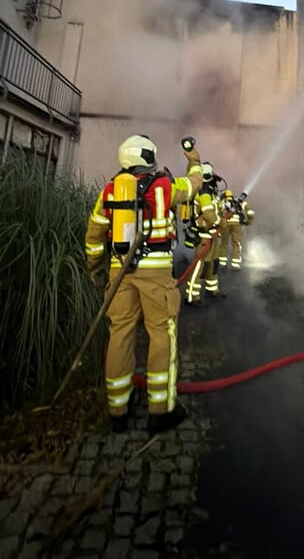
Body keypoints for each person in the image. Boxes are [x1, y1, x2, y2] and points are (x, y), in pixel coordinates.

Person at [85, 134, 203, 434]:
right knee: (161, 335)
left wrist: (95, 267)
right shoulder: (163, 186)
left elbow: (94, 234)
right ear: (148, 157)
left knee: (120, 333)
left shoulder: (110, 191)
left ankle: (117, 411)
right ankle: (160, 411)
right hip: (155, 275)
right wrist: (195, 162)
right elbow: (192, 187)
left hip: (119, 272)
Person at [184, 163, 226, 306]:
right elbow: (208, 214)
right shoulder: (204, 193)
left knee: (213, 263)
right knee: (199, 265)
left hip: (212, 235)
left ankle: (211, 289)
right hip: (204, 236)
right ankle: (191, 296)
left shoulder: (210, 193)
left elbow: (215, 210)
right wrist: (221, 221)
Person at [218, 189, 254, 269]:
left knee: (224, 243)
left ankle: (222, 263)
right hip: (237, 225)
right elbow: (250, 212)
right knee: (236, 243)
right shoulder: (240, 201)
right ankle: (235, 264)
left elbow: (218, 212)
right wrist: (248, 222)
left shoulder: (223, 202)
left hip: (225, 224)